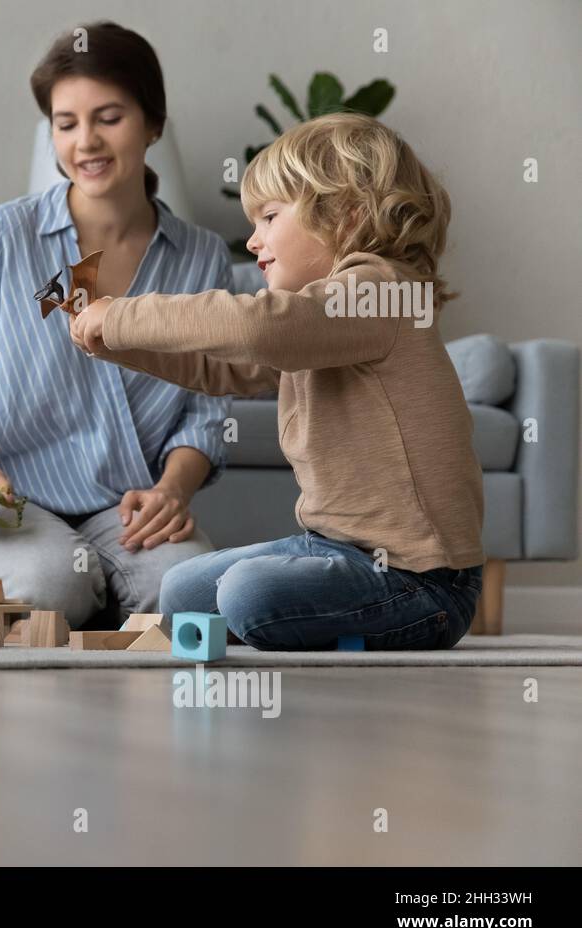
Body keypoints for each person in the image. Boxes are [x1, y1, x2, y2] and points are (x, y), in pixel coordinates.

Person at [70, 113, 483, 650]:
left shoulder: (381, 292)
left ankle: (326, 626)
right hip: (334, 549)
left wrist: (122, 315)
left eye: (268, 217)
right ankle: (310, 625)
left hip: (422, 581)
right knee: (182, 588)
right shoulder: (321, 325)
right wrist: (123, 346)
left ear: (348, 217)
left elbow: (257, 327)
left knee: (246, 593)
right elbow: (225, 368)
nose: (253, 240)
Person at [0, 22, 232, 627]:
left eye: (109, 117)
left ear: (154, 123)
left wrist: (172, 491)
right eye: (66, 123)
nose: (86, 142)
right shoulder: (7, 234)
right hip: (2, 505)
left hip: (124, 508)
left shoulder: (204, 257)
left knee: (191, 593)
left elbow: (208, 409)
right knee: (49, 586)